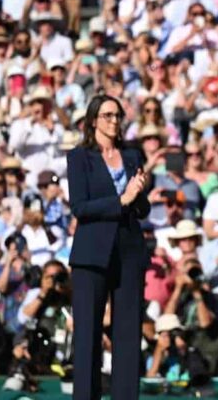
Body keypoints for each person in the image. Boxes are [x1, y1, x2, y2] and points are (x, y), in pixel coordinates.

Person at [66, 95, 151, 400]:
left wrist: (139, 194)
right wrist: (122, 200)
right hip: (92, 253)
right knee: (88, 335)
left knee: (128, 335)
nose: (114, 121)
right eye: (107, 115)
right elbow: (80, 206)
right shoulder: (79, 157)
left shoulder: (131, 156)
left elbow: (142, 210)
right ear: (92, 121)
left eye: (117, 116)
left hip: (129, 250)